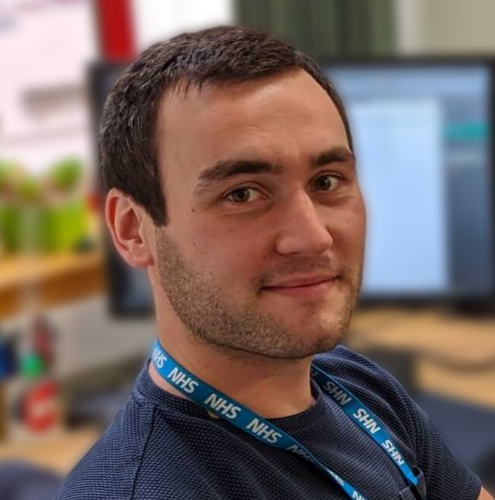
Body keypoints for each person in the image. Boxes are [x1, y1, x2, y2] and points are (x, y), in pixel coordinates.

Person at [55, 26, 492, 500]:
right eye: (243, 194)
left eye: (327, 181)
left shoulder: (358, 386)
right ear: (132, 230)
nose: (313, 236)